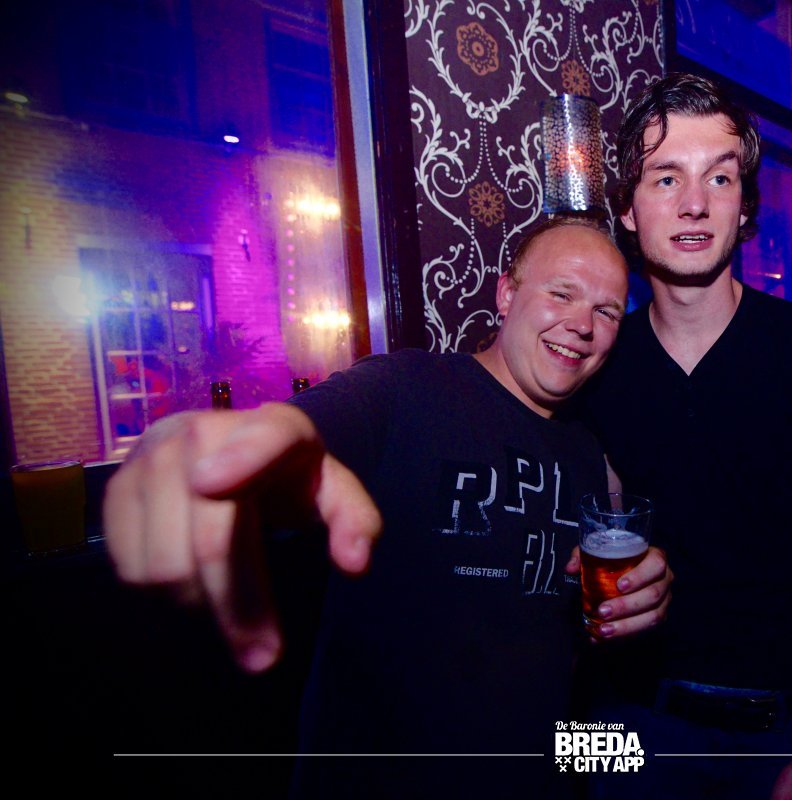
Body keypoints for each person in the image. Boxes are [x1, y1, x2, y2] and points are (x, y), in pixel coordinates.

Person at [102, 218, 673, 798]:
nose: (582, 325)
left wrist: (634, 611)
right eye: (561, 293)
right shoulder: (406, 389)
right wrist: (194, 453)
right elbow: (297, 432)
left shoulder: (587, 452)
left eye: (607, 312)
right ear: (506, 294)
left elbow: (559, 647)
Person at [572, 73, 792, 800]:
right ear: (629, 210)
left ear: (743, 207)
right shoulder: (599, 364)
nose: (695, 203)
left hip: (777, 727)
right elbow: (601, 536)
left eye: (720, 177)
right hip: (629, 723)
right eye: (666, 177)